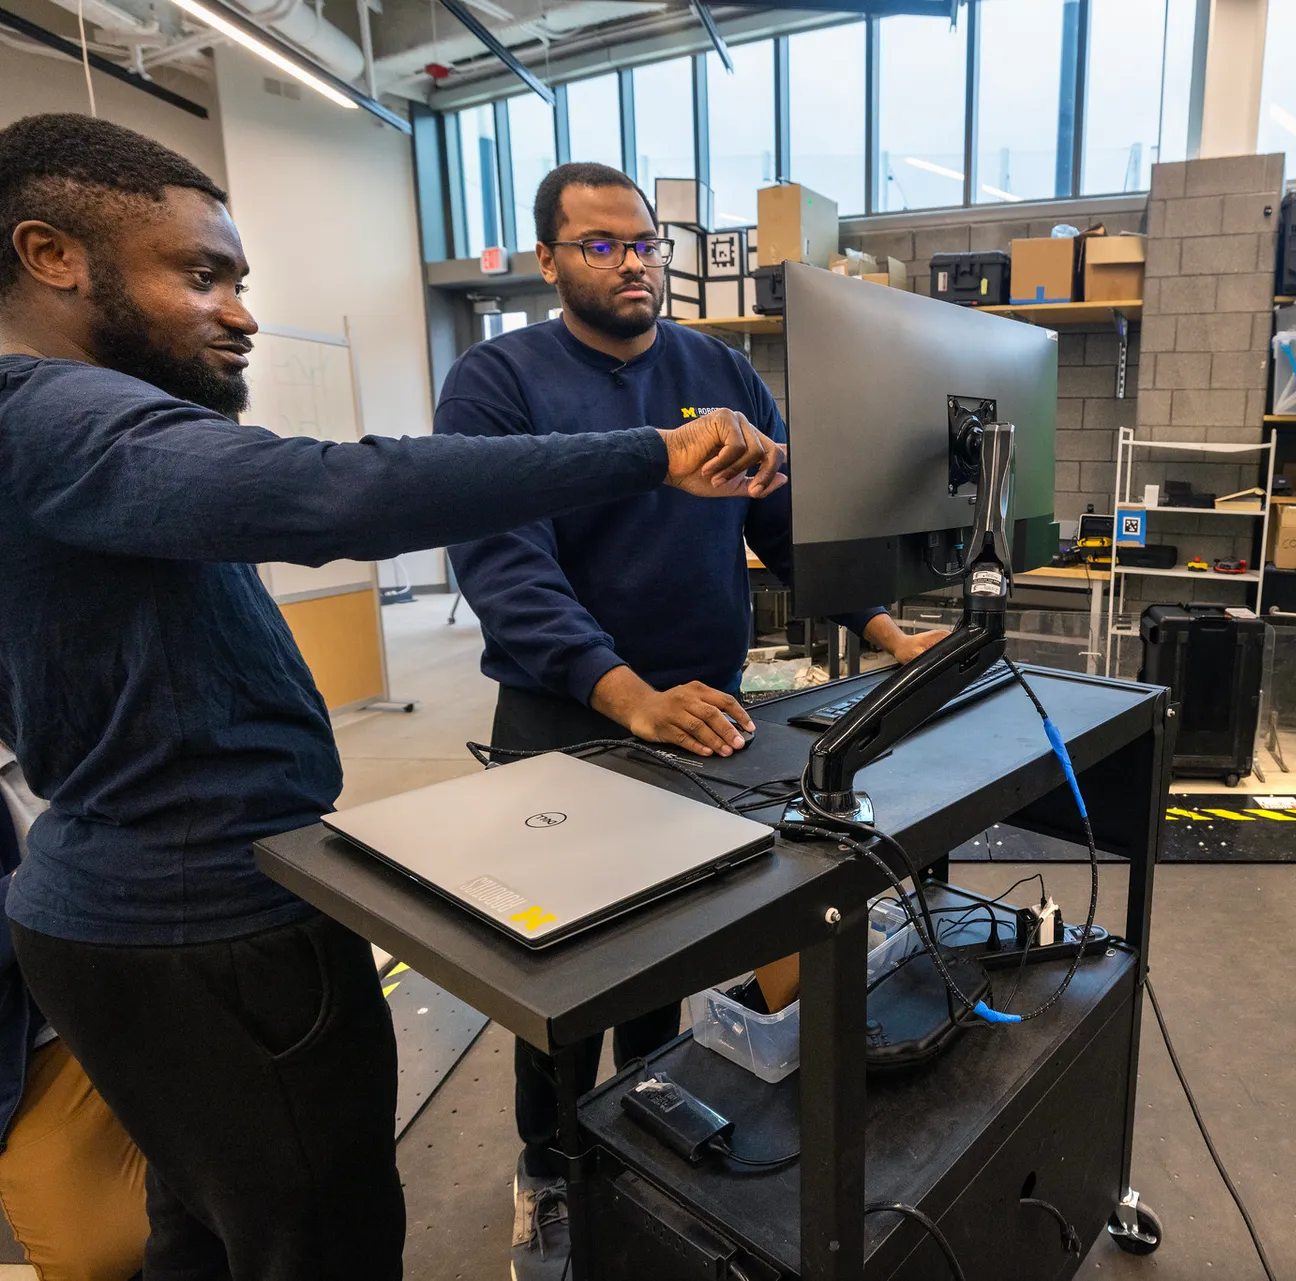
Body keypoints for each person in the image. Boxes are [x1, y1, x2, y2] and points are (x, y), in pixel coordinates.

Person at [0, 114, 786, 1280]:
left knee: (210, 1226)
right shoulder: (58, 419)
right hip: (204, 918)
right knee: (320, 1239)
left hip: (166, 901)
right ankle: (556, 1164)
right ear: (51, 256)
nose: (243, 311)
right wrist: (647, 454)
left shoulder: (57, 430)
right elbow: (326, 493)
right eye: (202, 276)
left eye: (241, 280)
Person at [432, 161, 944, 1277]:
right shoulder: (497, 381)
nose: (634, 264)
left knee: (666, 953)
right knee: (560, 982)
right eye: (603, 245)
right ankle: (551, 1171)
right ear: (550, 258)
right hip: (567, 718)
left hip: (702, 717)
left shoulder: (714, 369)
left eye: (647, 243)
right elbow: (506, 565)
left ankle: (637, 1141)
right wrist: (625, 694)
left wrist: (877, 624)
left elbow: (780, 517)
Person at [0, 743, 147, 1281]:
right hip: (36, 1045)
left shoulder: (79, 719)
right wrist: (64, 874)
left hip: (149, 996)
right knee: (100, 1257)